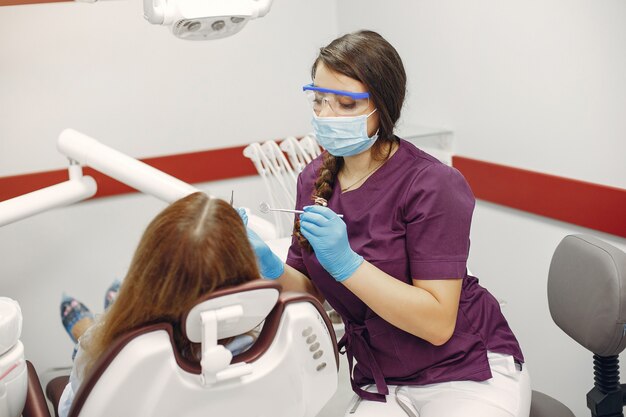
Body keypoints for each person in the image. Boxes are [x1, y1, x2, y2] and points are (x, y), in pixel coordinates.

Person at [245, 30, 531, 417]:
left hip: (464, 369)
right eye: (319, 100)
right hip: (384, 377)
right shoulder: (314, 180)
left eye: (345, 104)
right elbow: (310, 290)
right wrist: (263, 262)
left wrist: (347, 264)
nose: (326, 116)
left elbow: (437, 324)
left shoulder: (432, 184)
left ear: (382, 106)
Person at [57, 192, 261, 417]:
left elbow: (71, 409)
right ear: (246, 270)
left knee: (96, 336)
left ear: (144, 272)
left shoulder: (108, 357)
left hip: (106, 353)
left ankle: (92, 323)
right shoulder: (266, 346)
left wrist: (90, 345)